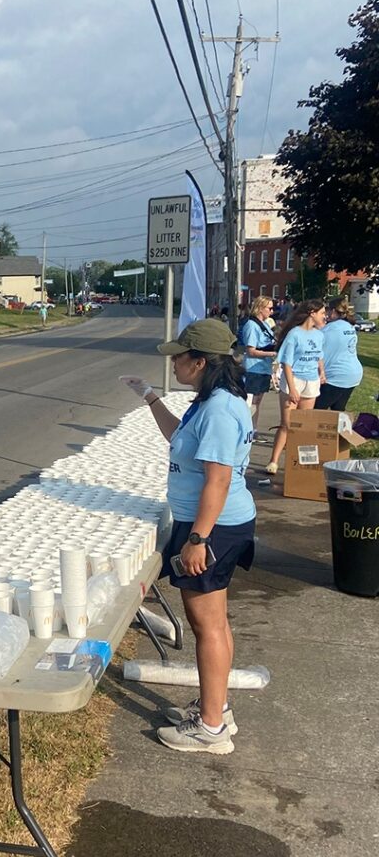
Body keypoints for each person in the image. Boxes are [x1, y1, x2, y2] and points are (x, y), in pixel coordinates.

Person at [121, 319, 255, 754]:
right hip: (214, 523)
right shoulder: (215, 400)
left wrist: (197, 539)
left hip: (212, 526)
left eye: (179, 356)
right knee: (214, 622)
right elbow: (180, 438)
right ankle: (217, 708)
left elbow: (216, 480)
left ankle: (211, 729)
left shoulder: (218, 410)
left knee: (207, 625)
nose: (173, 362)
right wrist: (150, 397)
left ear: (199, 362)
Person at [265, 299, 327, 476]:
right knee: (287, 424)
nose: (325, 316)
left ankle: (301, 463)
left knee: (304, 425)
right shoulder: (295, 334)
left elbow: (319, 355)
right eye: (322, 313)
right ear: (312, 313)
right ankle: (274, 461)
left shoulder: (319, 335)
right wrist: (292, 388)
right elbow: (286, 363)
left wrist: (321, 371)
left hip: (311, 381)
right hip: (294, 379)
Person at [238, 296, 277, 434]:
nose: (272, 311)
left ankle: (253, 428)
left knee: (258, 401)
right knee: (251, 401)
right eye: (269, 308)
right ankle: (246, 429)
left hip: (264, 368)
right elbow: (251, 350)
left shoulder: (265, 324)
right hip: (254, 368)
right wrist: (271, 354)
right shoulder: (252, 325)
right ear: (260, 308)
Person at [316, 297, 363, 411]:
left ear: (332, 311)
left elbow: (321, 357)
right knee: (338, 411)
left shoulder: (327, 330)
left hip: (337, 376)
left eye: (326, 310)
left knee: (316, 410)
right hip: (353, 373)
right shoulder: (350, 326)